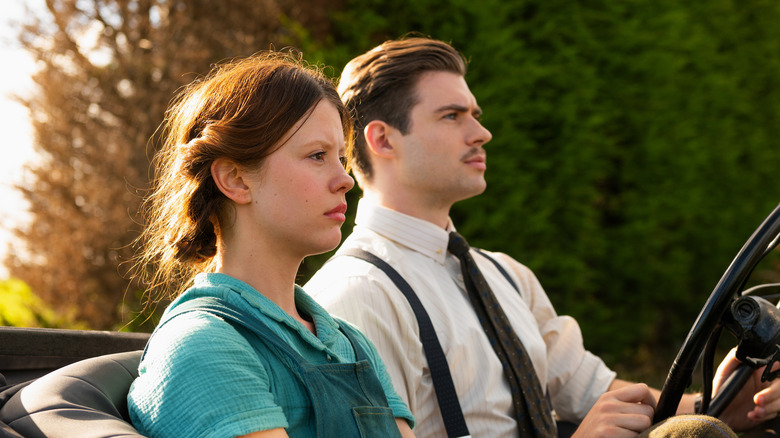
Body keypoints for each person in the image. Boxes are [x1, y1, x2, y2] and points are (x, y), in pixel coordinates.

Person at [304, 37, 780, 437]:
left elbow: (599, 393)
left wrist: (729, 399)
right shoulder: (357, 295)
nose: (482, 132)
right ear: (383, 140)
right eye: (452, 116)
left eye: (475, 113)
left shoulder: (507, 276)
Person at [127, 53, 415, 438]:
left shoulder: (349, 342)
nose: (345, 180)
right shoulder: (203, 345)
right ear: (235, 179)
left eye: (342, 159)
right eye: (317, 156)